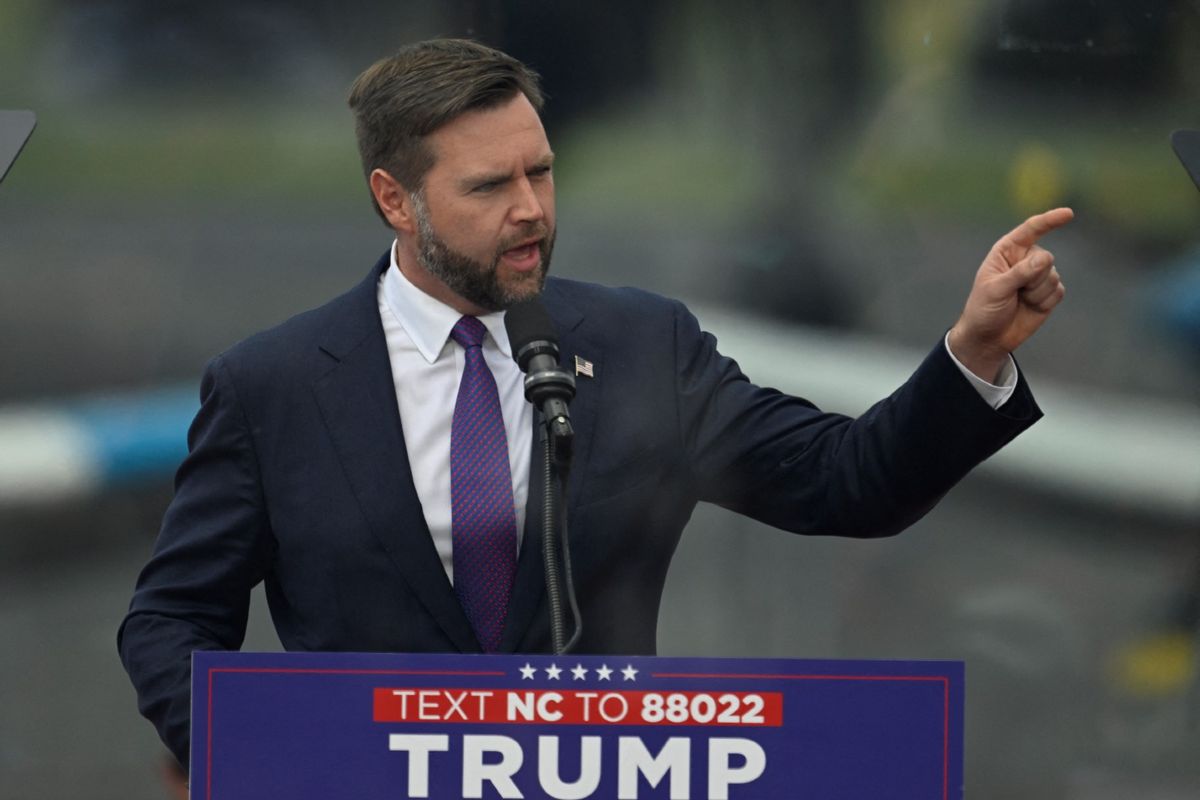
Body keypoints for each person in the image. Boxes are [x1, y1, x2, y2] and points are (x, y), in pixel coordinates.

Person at [118, 38, 1070, 770]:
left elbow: (848, 483)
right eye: (491, 185)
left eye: (542, 170)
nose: (532, 208)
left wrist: (973, 350)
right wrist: (256, 753)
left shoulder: (640, 347)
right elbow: (168, 621)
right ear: (395, 201)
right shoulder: (273, 385)